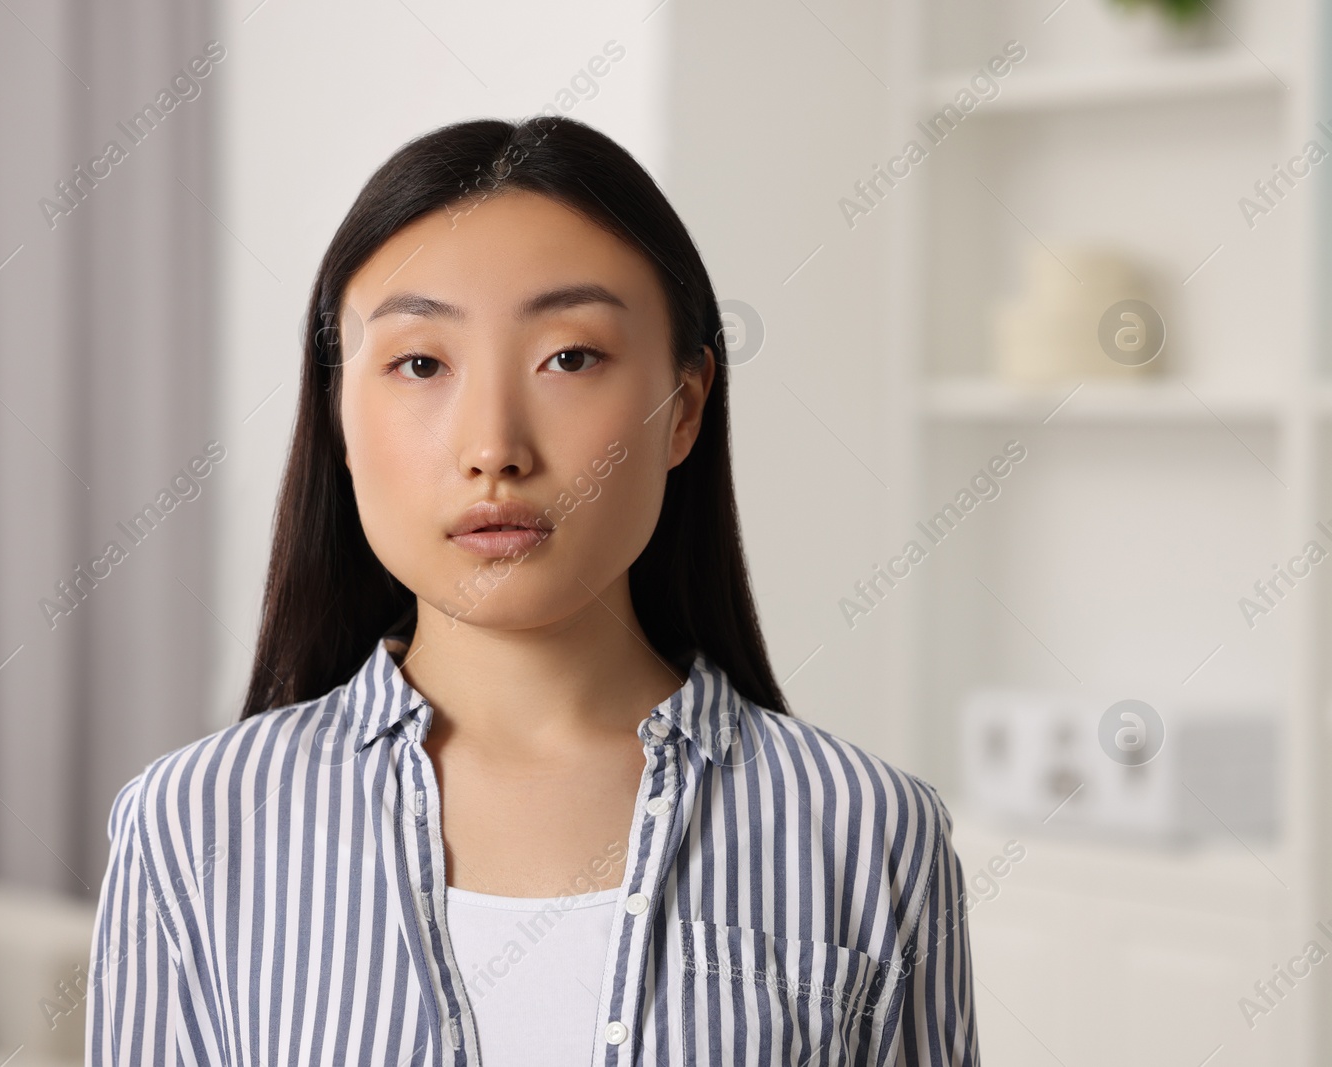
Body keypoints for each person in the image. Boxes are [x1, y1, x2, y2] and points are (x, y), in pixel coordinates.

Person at [85, 114, 979, 1067]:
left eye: (570, 357)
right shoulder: (194, 822)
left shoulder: (866, 830)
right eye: (420, 363)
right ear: (339, 413)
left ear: (683, 407)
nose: (493, 448)